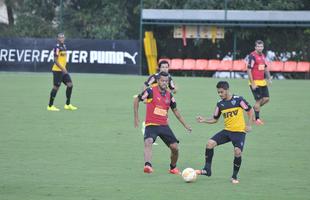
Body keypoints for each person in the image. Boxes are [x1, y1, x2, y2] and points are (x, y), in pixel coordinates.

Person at [196, 81, 254, 184]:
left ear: (227, 90)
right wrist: (203, 120)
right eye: (218, 92)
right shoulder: (220, 104)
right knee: (209, 144)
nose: (220, 94)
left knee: (237, 152)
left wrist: (249, 125)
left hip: (239, 132)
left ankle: (234, 176)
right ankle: (207, 169)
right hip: (227, 131)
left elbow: (250, 110)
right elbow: (215, 119)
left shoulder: (238, 100)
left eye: (221, 92)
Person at [134, 71, 191, 174]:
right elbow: (136, 100)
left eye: (166, 81)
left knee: (175, 148)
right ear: (158, 81)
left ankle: (173, 167)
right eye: (162, 81)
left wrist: (186, 125)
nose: (164, 83)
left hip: (164, 126)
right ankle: (148, 165)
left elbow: (176, 111)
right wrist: (136, 117)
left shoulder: (170, 96)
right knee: (148, 141)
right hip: (151, 125)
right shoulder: (150, 91)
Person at [47, 33, 77, 111]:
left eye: (63, 37)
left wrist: (64, 69)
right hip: (57, 70)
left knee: (70, 85)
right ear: (58, 39)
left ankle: (67, 104)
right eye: (60, 37)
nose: (62, 39)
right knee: (56, 87)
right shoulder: (57, 47)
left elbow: (63, 59)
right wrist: (63, 69)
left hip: (63, 70)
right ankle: (50, 106)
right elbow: (56, 60)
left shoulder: (64, 46)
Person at [247, 40, 272, 125]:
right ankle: (257, 119)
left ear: (263, 47)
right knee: (259, 100)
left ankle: (252, 110)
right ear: (255, 47)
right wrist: (253, 83)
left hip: (262, 82)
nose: (260, 48)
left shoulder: (263, 56)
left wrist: (269, 78)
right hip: (255, 82)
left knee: (266, 99)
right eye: (258, 46)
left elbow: (265, 67)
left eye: (261, 46)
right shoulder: (252, 56)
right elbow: (248, 70)